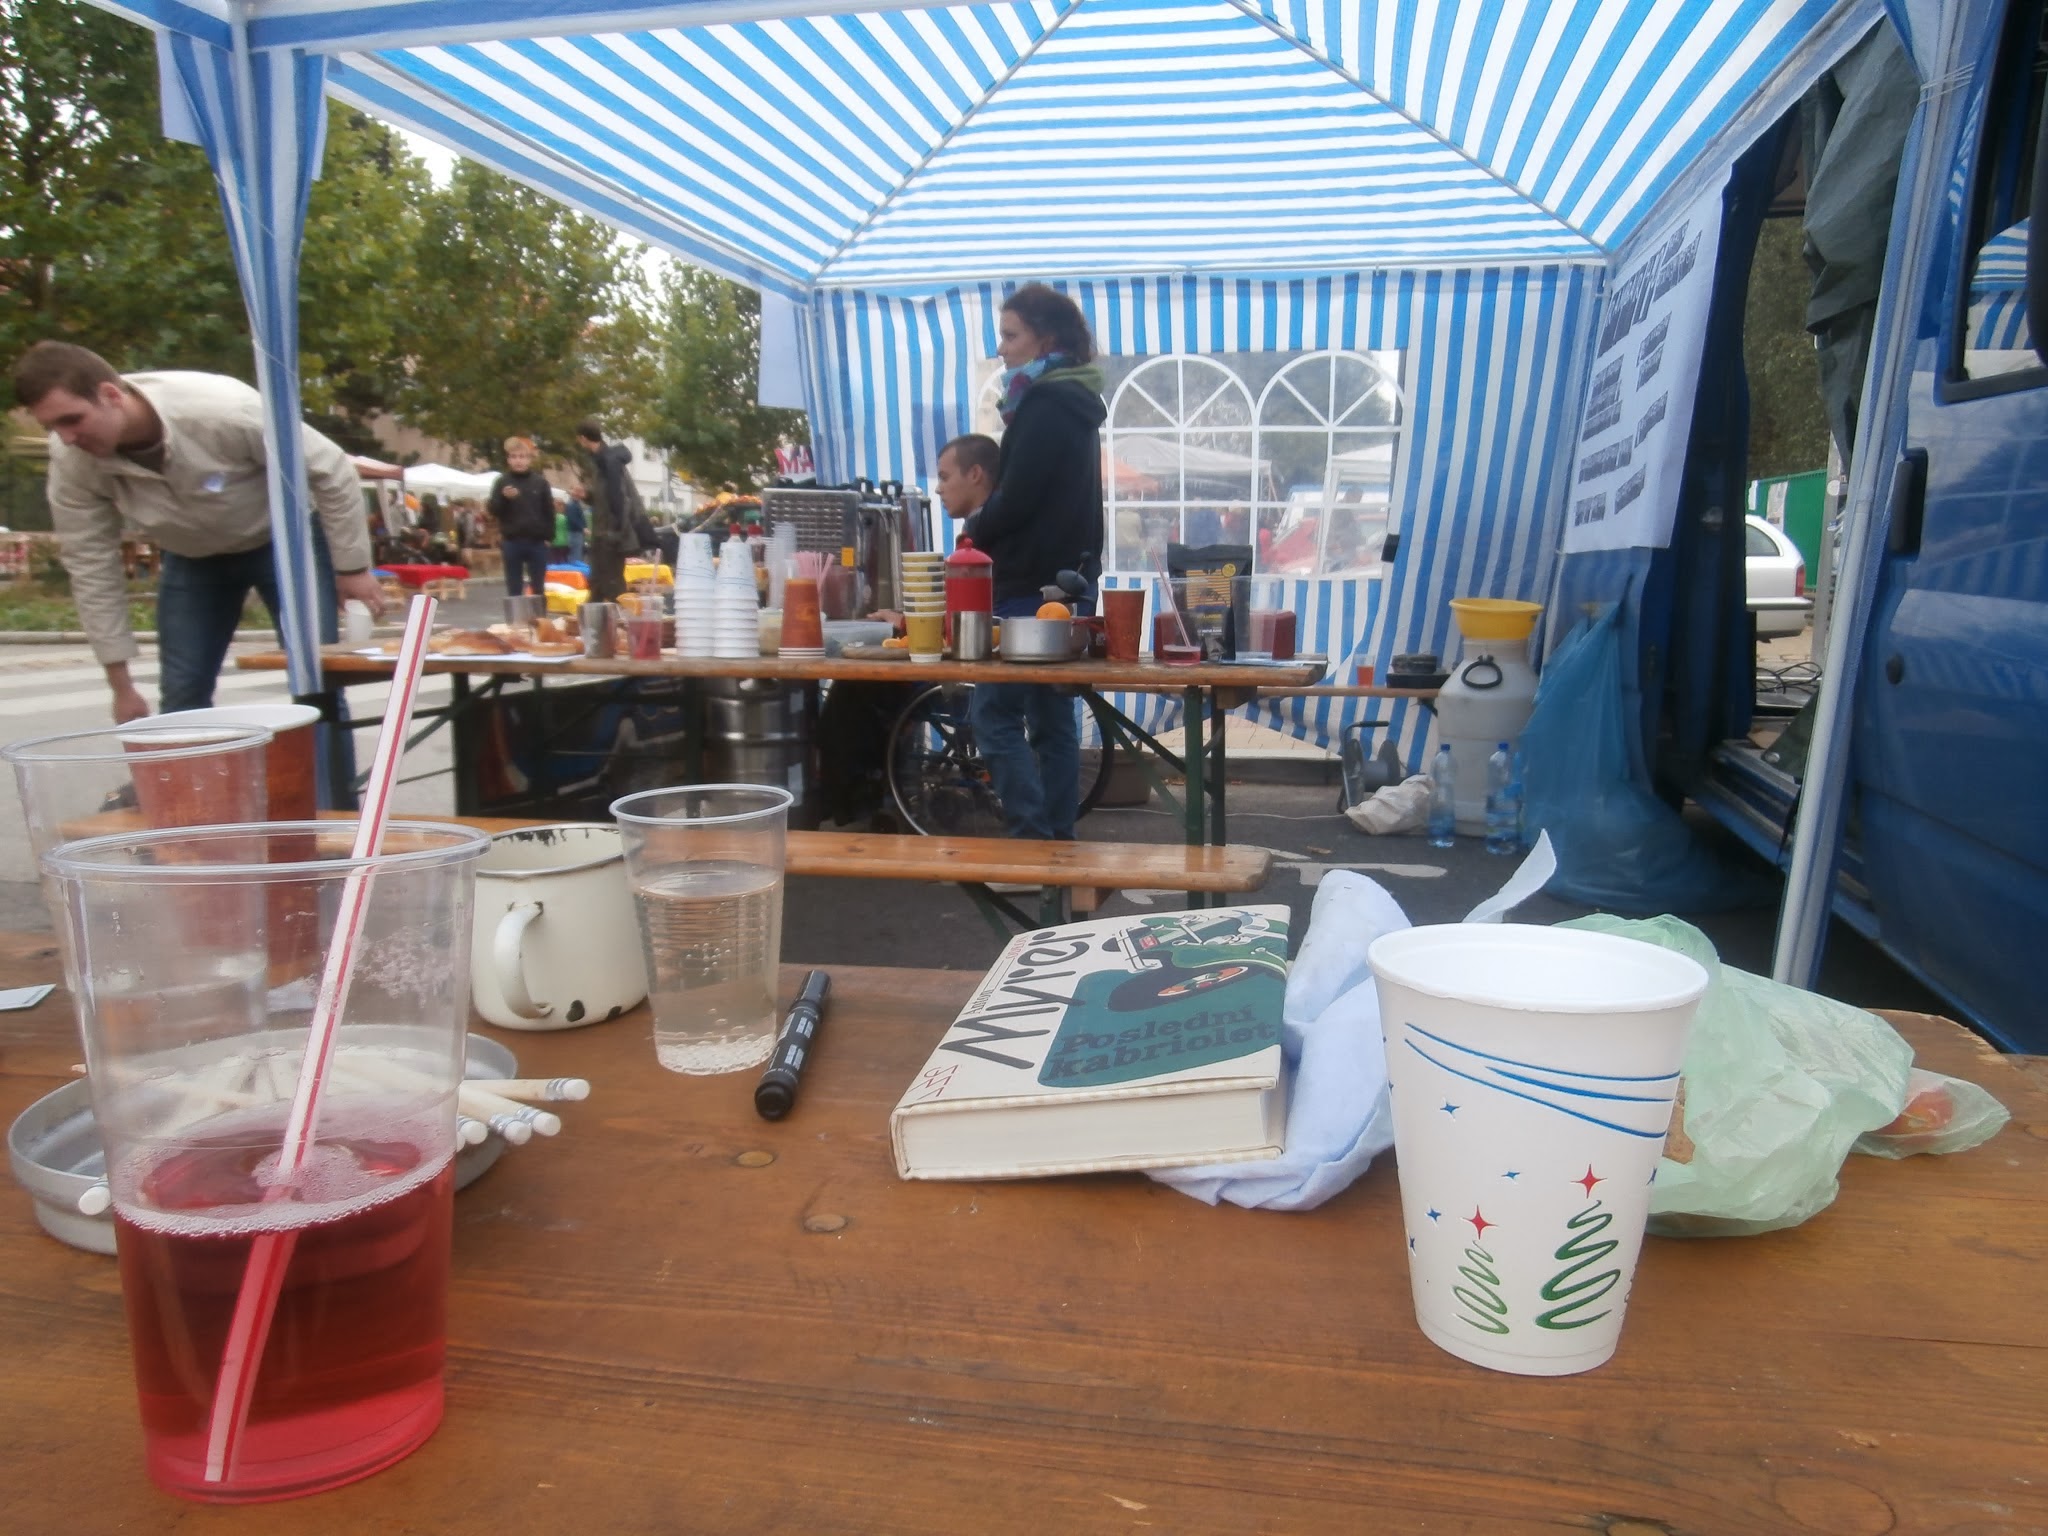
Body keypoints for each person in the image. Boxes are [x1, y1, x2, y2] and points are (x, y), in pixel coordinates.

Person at [12, 339, 385, 724]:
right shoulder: (71, 459)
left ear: (111, 395)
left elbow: (332, 470)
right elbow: (89, 563)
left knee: (315, 684)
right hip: (193, 556)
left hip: (283, 543)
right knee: (182, 694)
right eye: (51, 427)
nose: (67, 437)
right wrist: (121, 687)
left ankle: (326, 763)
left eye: (72, 420)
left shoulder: (223, 410)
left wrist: (352, 568)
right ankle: (192, 765)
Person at [962, 284, 1106, 841]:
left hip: (1031, 582)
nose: (1001, 348)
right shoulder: (1073, 401)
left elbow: (1018, 498)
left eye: (1010, 335)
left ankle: (1033, 839)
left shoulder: (1043, 403)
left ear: (1045, 339)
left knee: (993, 714)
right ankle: (1056, 846)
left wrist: (976, 525)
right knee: (1051, 721)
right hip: (1069, 578)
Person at [574, 419, 644, 604]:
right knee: (597, 582)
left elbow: (620, 499)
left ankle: (623, 617)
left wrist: (617, 531)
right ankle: (593, 618)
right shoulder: (601, 462)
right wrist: (587, 495)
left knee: (613, 584)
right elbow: (606, 497)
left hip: (610, 533)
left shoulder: (609, 462)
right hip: (603, 532)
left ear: (583, 439)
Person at [488, 435, 554, 598]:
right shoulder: (502, 481)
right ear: (508, 460)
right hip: (512, 540)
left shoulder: (540, 482)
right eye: (514, 457)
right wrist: (504, 498)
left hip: (537, 541)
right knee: (514, 587)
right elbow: (493, 510)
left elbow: (549, 511)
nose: (518, 461)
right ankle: (515, 614)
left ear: (529, 459)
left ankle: (539, 614)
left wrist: (549, 537)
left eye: (522, 457)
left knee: (538, 587)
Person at [564, 486, 588, 565]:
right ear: (578, 493)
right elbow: (572, 519)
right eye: (582, 492)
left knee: (576, 554)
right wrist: (583, 528)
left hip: (576, 533)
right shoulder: (572, 505)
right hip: (574, 533)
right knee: (575, 555)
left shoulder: (575, 504)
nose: (584, 494)